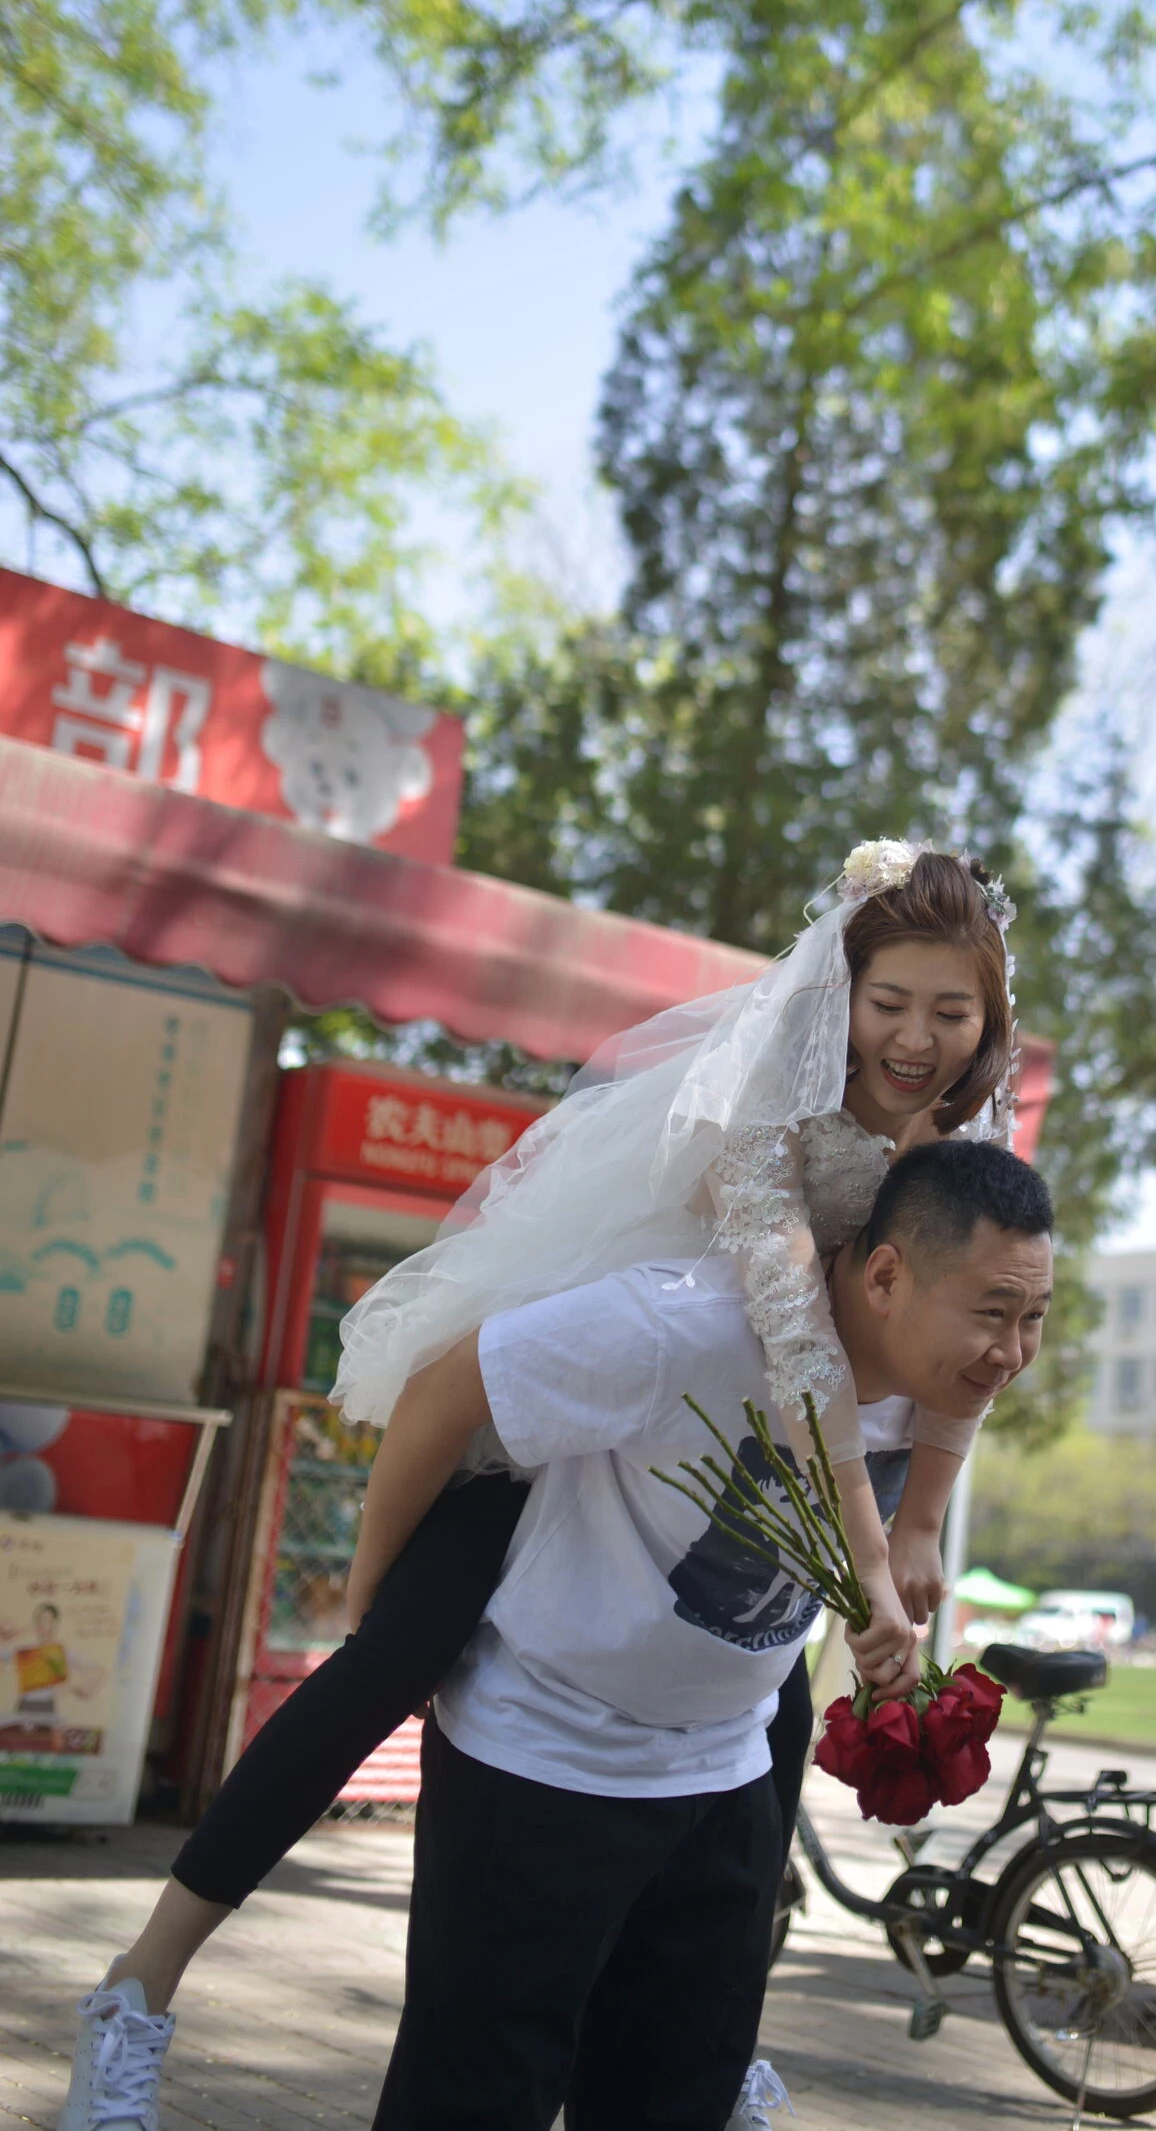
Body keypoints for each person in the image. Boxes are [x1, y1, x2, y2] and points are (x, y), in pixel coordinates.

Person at [58, 843, 1021, 2131]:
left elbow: (971, 1345)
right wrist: (366, 1583)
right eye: (888, 1000)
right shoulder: (766, 1104)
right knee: (385, 1662)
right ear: (839, 993)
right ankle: (141, 1987)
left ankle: (716, 2029)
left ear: (987, 1016)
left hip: (745, 1460)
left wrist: (914, 1528)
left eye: (949, 1011)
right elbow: (797, 1342)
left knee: (762, 1717)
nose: (915, 1037)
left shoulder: (967, 1134)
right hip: (596, 1408)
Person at [374, 1136, 1054, 2129]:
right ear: (883, 1276)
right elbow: (446, 1384)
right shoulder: (684, 1325)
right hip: (541, 1763)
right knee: (478, 2096)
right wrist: (375, 1616)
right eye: (993, 1314)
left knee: (674, 2101)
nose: (1012, 1354)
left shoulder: (944, 1387)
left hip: (722, 1782)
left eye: (1033, 1318)